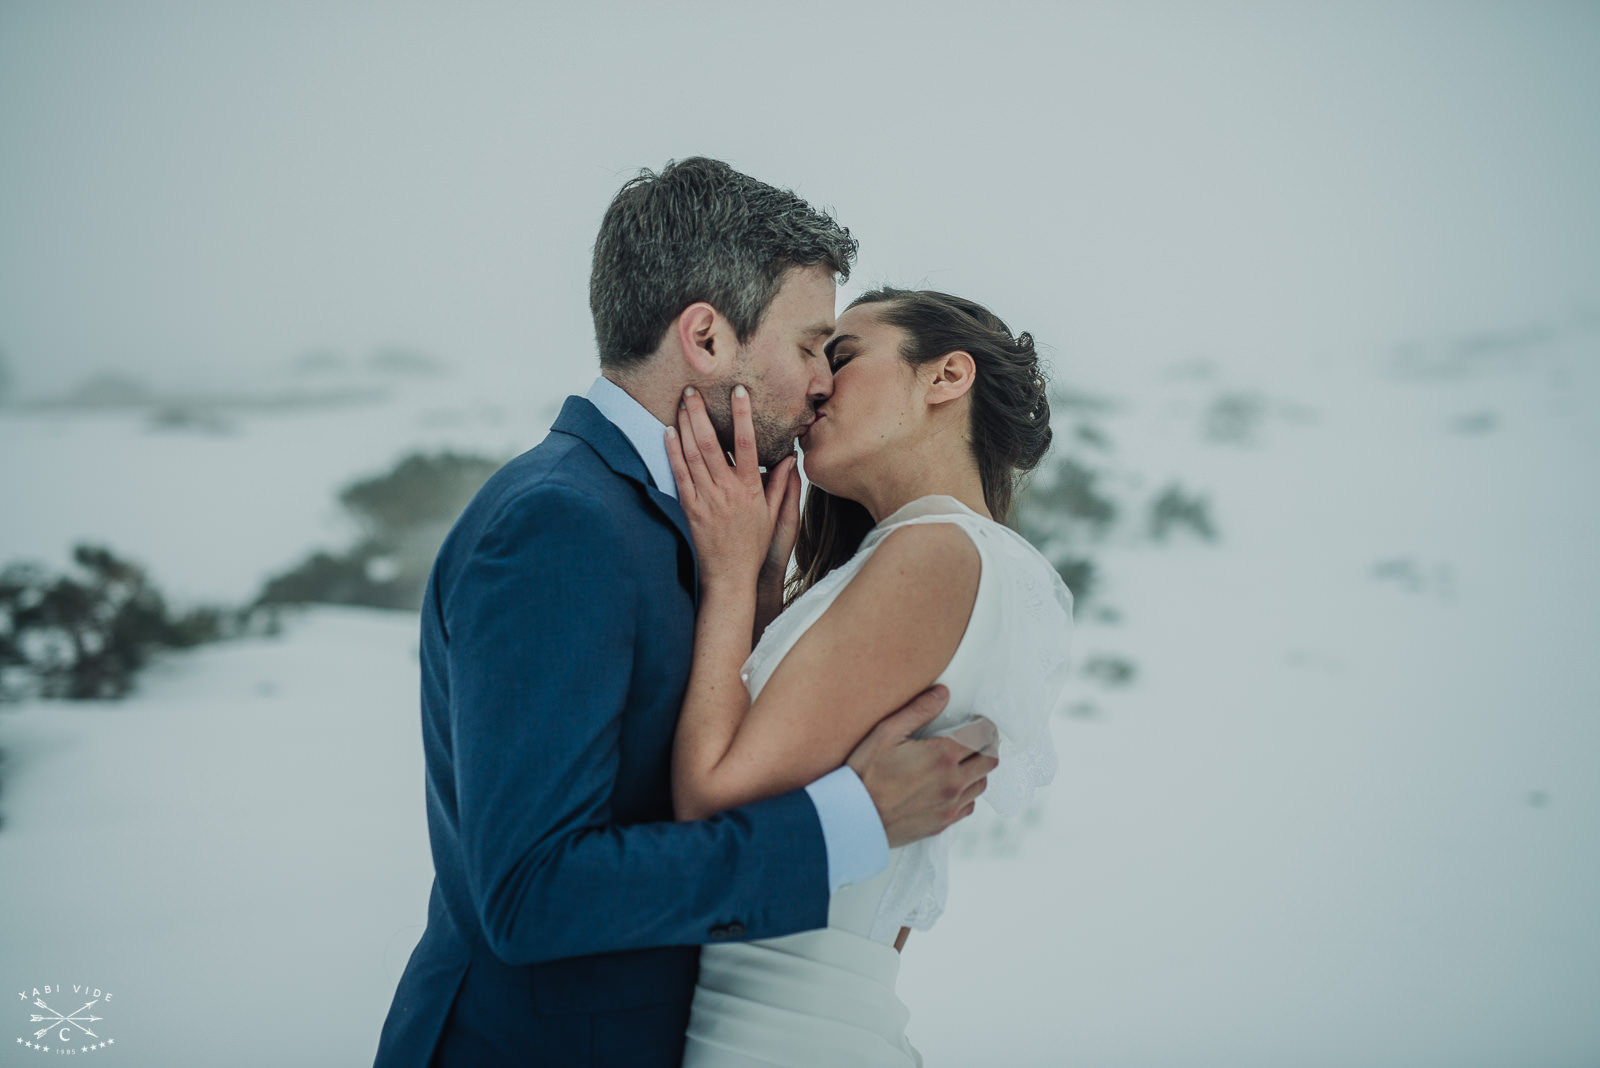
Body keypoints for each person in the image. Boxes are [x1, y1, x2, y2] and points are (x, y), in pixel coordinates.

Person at [372, 159, 998, 1068]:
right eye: (811, 343)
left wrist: (754, 590)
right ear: (706, 337)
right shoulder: (558, 524)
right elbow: (533, 894)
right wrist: (849, 821)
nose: (825, 380)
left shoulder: (696, 521)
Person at [664, 287, 1074, 1066]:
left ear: (946, 377)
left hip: (771, 1036)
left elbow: (711, 798)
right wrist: (760, 589)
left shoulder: (935, 553)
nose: (817, 382)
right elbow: (780, 767)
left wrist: (724, 577)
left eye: (843, 356)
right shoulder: (938, 557)